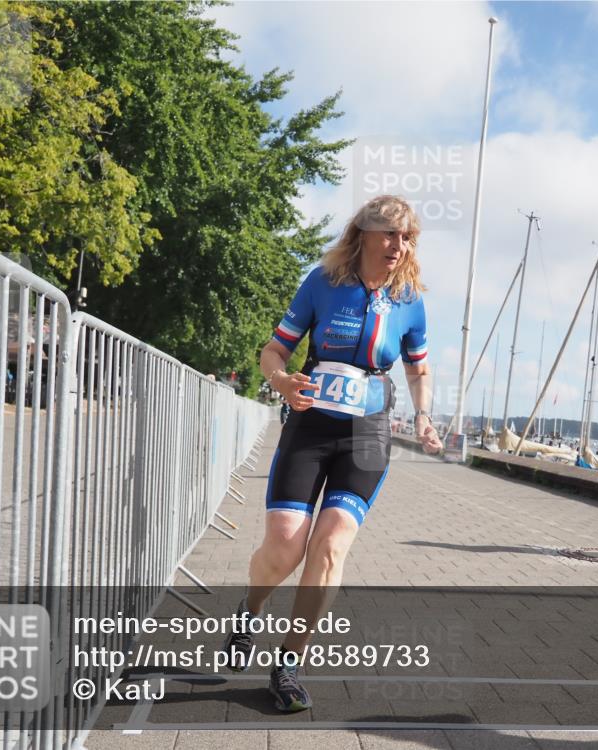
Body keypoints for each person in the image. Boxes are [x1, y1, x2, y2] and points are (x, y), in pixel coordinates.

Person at [223, 195, 442, 711]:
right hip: (311, 423)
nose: (399, 244)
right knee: (284, 546)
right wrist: (280, 380)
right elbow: (274, 349)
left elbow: (417, 367)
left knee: (331, 543)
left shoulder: (410, 298)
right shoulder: (323, 283)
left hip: (367, 431)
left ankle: (288, 664)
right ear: (363, 234)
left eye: (407, 236)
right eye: (390, 233)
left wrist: (425, 417)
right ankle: (249, 609)